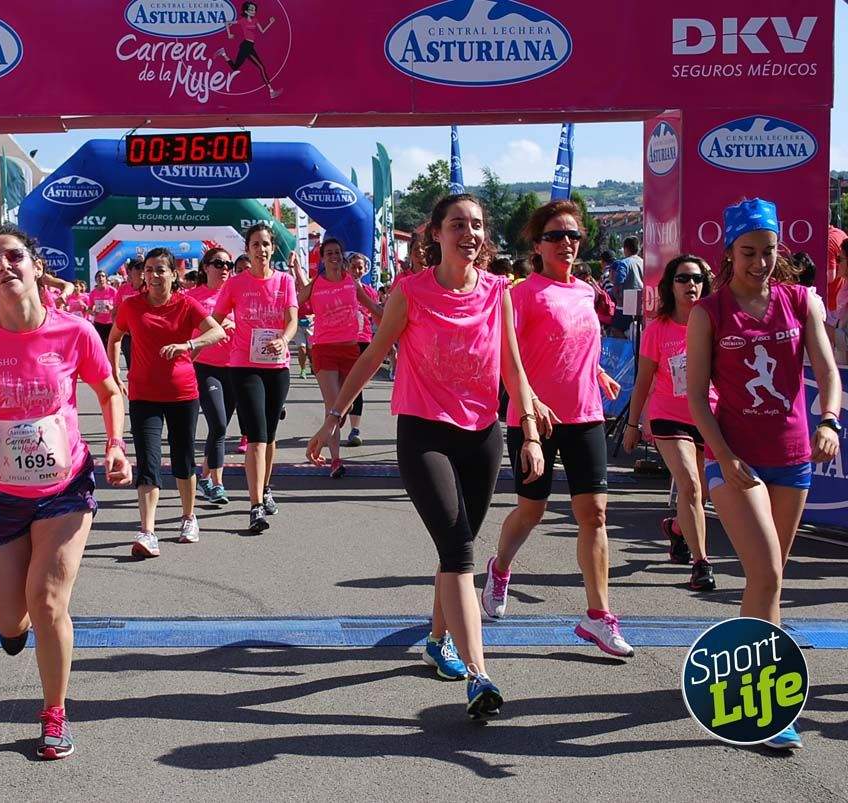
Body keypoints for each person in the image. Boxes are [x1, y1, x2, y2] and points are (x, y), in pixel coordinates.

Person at [307, 194, 544, 719]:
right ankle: (480, 674)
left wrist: (528, 429)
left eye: (477, 225)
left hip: (482, 435)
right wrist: (334, 417)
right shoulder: (410, 292)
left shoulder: (497, 292)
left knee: (454, 548)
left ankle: (438, 639)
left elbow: (513, 366)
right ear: (435, 234)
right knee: (458, 549)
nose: (470, 233)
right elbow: (372, 355)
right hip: (424, 434)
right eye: (457, 224)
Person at [0, 223, 132, 760]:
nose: (3, 268)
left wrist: (115, 444)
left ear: (35, 263)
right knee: (10, 618)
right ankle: (17, 625)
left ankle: (54, 712)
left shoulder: (74, 332)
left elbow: (108, 389)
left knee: (48, 602)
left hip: (64, 485)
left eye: (13, 256)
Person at [686, 198, 841, 752]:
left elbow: (826, 369)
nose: (759, 262)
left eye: (768, 251)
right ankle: (763, 702)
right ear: (729, 252)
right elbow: (697, 397)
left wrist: (828, 421)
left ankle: (749, 682)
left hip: (794, 456)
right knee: (769, 574)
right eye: (748, 252)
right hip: (736, 460)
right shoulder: (709, 312)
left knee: (766, 580)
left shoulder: (800, 302)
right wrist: (723, 456)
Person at [481, 200, 633, 658]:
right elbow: (510, 358)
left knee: (595, 514)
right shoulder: (521, 293)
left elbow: (581, 345)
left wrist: (597, 373)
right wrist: (533, 402)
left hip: (585, 414)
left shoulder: (586, 291)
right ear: (538, 244)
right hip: (534, 418)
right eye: (556, 236)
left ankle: (598, 617)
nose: (566, 243)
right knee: (533, 511)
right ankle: (500, 568)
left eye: (573, 236)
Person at [107, 248, 226, 556]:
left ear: (174, 275)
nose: (155, 275)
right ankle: (147, 531)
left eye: (161, 270)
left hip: (182, 394)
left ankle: (188, 517)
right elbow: (115, 336)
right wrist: (115, 372)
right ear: (142, 275)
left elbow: (216, 332)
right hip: (144, 395)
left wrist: (189, 344)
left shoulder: (187, 304)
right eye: (149, 270)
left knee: (183, 459)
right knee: (148, 461)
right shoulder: (131, 306)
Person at [622, 255, 718, 591]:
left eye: (697, 278)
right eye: (682, 278)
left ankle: (677, 528)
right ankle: (701, 563)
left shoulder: (715, 323)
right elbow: (644, 379)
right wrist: (632, 425)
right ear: (670, 285)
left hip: (709, 414)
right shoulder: (658, 329)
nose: (690, 284)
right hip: (668, 415)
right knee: (689, 484)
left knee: (702, 493)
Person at [213, 223, 298, 532]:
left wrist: (285, 340)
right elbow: (217, 318)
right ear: (247, 250)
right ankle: (255, 505)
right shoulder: (236, 284)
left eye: (265, 244)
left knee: (270, 436)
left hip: (277, 367)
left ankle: (265, 488)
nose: (261, 249)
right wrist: (221, 331)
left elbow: (292, 320)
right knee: (257, 437)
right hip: (244, 366)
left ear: (271, 249)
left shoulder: (285, 281)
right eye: (255, 245)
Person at [296, 238, 382, 478]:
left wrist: (396, 326)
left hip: (350, 350)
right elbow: (290, 305)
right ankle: (335, 460)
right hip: (324, 349)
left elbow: (374, 309)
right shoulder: (315, 285)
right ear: (322, 258)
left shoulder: (352, 283)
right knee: (332, 407)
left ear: (341, 256)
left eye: (337, 252)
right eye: (329, 253)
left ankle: (342, 415)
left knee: (344, 406)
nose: (333, 256)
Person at [189, 248, 237, 505]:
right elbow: (184, 336)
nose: (224, 267)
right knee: (218, 424)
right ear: (205, 267)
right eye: (218, 263)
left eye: (228, 263)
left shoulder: (237, 293)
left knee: (220, 429)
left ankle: (205, 476)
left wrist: (237, 325)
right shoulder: (192, 297)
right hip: (206, 367)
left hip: (235, 368)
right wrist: (215, 330)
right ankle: (217, 483)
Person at [348, 252, 382, 445]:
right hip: (344, 340)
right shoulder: (341, 287)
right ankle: (338, 416)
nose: (357, 270)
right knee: (342, 383)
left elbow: (375, 313)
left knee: (357, 386)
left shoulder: (370, 291)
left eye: (360, 267)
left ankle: (355, 429)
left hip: (363, 339)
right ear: (347, 267)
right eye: (353, 267)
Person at [215, 1, 282, 98]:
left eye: (254, 9)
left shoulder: (255, 20)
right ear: (246, 11)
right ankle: (271, 91)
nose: (253, 11)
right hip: (246, 46)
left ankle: (223, 53)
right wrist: (229, 34)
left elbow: (262, 31)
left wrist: (270, 23)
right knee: (261, 67)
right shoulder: (242, 20)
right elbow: (227, 22)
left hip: (248, 46)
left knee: (235, 67)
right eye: (251, 9)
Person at [609, 236, 644, 337]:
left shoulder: (624, 263)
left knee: (616, 329)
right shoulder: (643, 262)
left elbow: (618, 282)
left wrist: (617, 297)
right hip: (642, 303)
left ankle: (626, 349)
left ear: (625, 248)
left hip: (626, 304)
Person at [89, 270, 118, 347]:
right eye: (98, 276)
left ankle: (110, 359)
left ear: (106, 279)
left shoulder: (113, 291)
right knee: (100, 345)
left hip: (110, 322)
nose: (100, 278)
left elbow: (118, 307)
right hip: (98, 323)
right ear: (96, 280)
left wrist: (111, 308)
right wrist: (92, 312)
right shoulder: (93, 293)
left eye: (102, 276)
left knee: (110, 344)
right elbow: (89, 308)